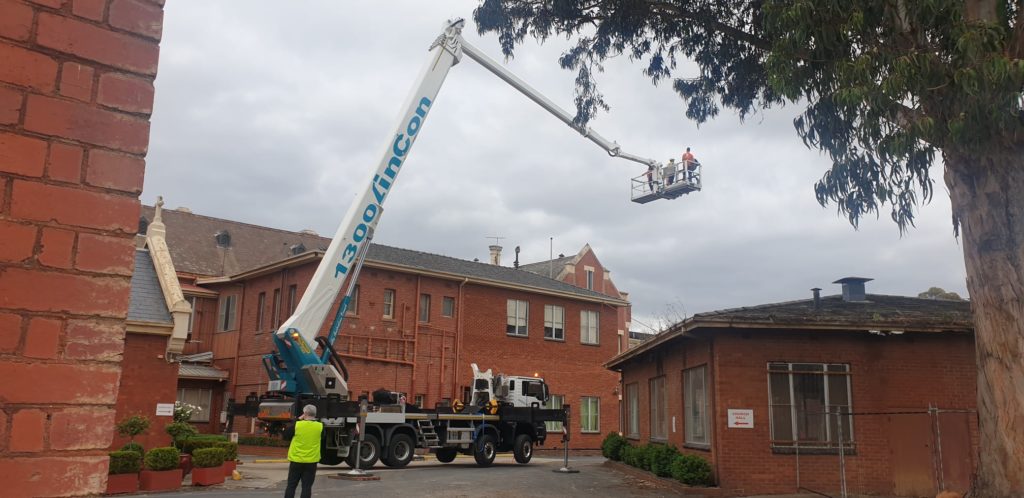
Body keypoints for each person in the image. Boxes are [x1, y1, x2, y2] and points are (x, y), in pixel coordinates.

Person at [283, 404, 323, 498]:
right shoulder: (320, 426)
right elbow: (323, 437)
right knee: (306, 487)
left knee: (291, 486)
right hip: (311, 461)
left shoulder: (297, 425)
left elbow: (286, 435)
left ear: (304, 413)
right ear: (315, 414)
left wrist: (297, 419)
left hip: (296, 460)